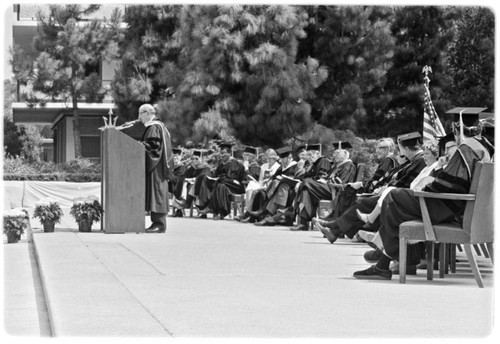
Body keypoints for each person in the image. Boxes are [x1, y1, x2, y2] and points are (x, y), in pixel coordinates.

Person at [353, 110, 493, 280]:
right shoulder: (485, 147)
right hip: (461, 208)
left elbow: (451, 184)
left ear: (457, 127)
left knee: (393, 197)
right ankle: (387, 260)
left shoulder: (466, 148)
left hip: (446, 207)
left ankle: (396, 256)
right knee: (398, 206)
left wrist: (426, 187)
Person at [315, 132, 427, 243]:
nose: (399, 153)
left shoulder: (419, 160)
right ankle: (335, 229)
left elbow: (408, 183)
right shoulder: (415, 160)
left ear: (406, 148)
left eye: (400, 149)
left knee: (363, 202)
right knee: (361, 201)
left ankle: (335, 227)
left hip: (402, 199)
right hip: (396, 194)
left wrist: (386, 187)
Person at [291, 148, 356, 231]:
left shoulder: (348, 165)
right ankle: (303, 223)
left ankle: (292, 210)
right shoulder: (337, 165)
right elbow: (328, 176)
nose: (335, 156)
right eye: (335, 154)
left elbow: (341, 182)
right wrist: (325, 179)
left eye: (338, 154)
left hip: (335, 190)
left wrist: (327, 181)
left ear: (344, 156)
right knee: (305, 191)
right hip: (328, 188)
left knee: (306, 182)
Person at [138, 104, 174, 233]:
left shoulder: (154, 127)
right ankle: (157, 223)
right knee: (156, 193)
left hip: (157, 167)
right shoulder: (157, 127)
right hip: (158, 166)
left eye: (140, 114)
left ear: (147, 113)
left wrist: (140, 146)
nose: (139, 117)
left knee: (157, 193)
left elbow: (153, 147)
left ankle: (159, 224)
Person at [197, 142, 246, 220]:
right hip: (224, 183)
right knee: (204, 179)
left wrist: (218, 178)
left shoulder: (234, 163)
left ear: (229, 153)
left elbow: (230, 177)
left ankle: (214, 209)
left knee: (221, 185)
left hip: (234, 186)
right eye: (221, 153)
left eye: (224, 153)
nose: (222, 155)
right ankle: (207, 207)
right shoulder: (222, 163)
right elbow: (215, 175)